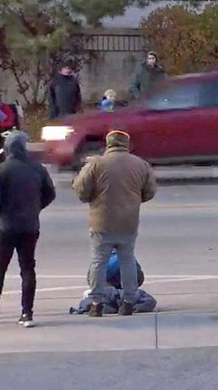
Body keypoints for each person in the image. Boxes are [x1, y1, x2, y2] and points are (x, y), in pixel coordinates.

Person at [73, 130, 156, 317]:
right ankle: (128, 302)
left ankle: (96, 303)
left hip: (101, 221)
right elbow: (150, 191)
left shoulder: (96, 163)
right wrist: (134, 200)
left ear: (108, 144)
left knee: (98, 261)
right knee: (127, 261)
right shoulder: (140, 164)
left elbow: (80, 189)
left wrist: (92, 198)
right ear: (126, 144)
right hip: (128, 221)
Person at [0, 132, 56, 327]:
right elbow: (49, 193)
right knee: (28, 268)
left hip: (5, 225)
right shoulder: (37, 169)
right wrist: (36, 208)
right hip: (30, 225)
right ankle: (27, 313)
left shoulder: (2, 170)